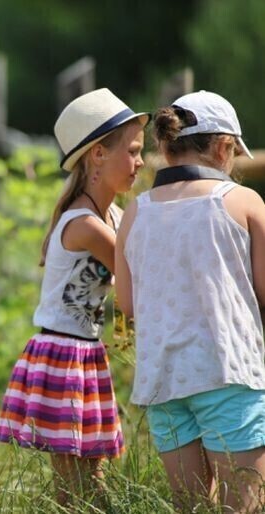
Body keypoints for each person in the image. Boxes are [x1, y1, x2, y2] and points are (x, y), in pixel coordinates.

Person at [0, 88, 148, 504]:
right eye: (132, 152)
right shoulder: (85, 224)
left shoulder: (112, 215)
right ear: (97, 155)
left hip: (84, 350)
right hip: (63, 354)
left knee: (90, 476)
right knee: (76, 485)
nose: (141, 162)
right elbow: (137, 271)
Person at [115, 90, 265, 512]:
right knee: (245, 506)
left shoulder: (135, 212)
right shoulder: (243, 201)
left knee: (191, 507)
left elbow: (126, 303)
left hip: (162, 379)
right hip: (227, 371)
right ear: (223, 147)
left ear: (164, 146)